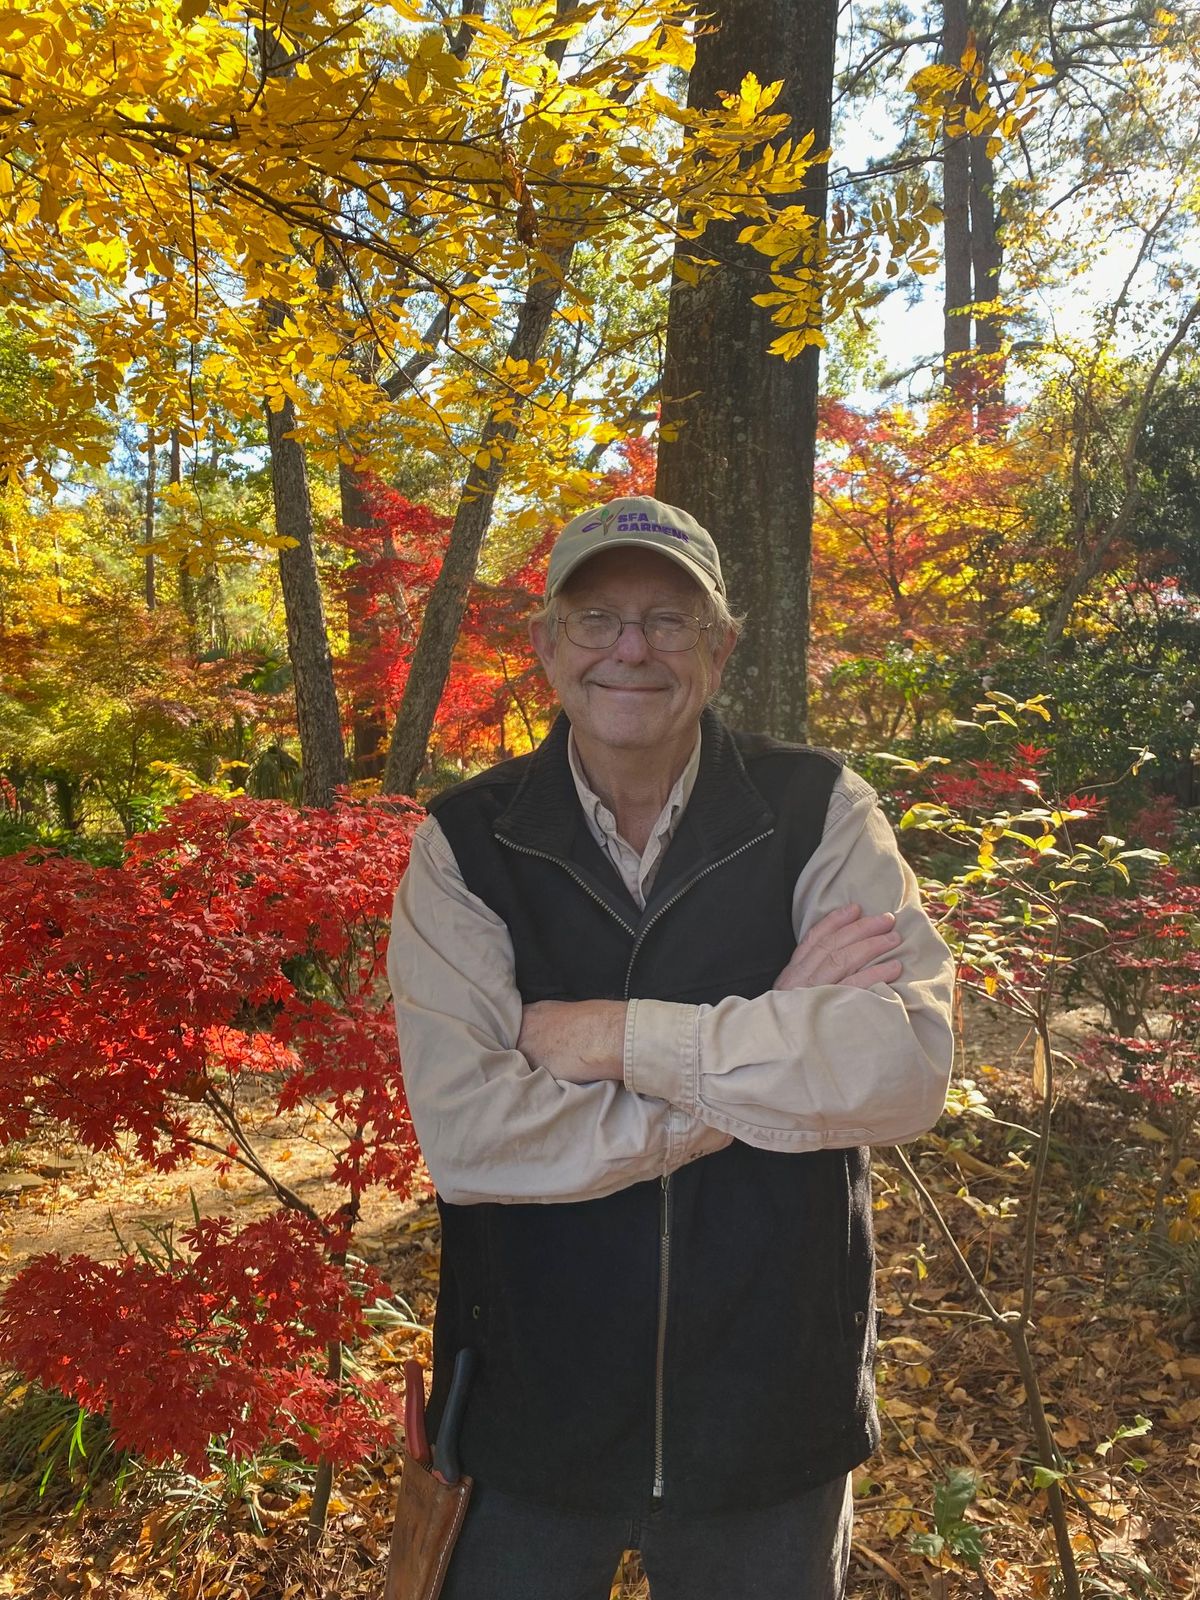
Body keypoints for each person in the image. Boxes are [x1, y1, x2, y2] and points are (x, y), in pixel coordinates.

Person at [387, 494, 955, 1600]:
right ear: (550, 642)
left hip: (770, 1417)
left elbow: (904, 1067)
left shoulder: (820, 813)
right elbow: (470, 1138)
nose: (631, 649)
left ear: (723, 644)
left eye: (669, 618)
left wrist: (613, 1037)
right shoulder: (464, 846)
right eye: (597, 618)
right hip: (526, 1415)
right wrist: (762, 1060)